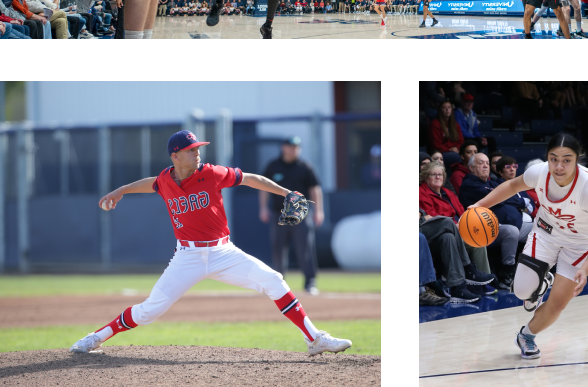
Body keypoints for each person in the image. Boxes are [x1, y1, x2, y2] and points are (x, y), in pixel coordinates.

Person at [68, 130, 349, 356]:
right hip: (187, 258)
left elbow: (251, 178)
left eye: (198, 148)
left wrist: (287, 191)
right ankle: (96, 338)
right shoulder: (166, 179)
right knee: (148, 311)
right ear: (175, 156)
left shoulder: (211, 173)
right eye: (192, 150)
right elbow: (151, 182)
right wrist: (120, 191)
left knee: (274, 280)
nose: (198, 152)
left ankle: (314, 339)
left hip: (223, 252)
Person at [467, 133, 588, 359]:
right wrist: (479, 205)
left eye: (566, 160)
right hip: (546, 233)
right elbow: (512, 186)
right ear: (547, 158)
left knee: (557, 304)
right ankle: (540, 283)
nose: (559, 166)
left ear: (577, 159)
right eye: (554, 159)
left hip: (579, 245)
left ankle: (526, 335)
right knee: (521, 291)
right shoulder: (539, 173)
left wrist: (587, 267)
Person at [418, 161, 497, 299]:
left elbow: (461, 211)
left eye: (440, 174)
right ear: (426, 177)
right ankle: (468, 269)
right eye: (433, 174)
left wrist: (466, 223)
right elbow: (432, 217)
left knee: (472, 237)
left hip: (451, 231)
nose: (437, 177)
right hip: (433, 230)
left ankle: (459, 287)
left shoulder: (448, 193)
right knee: (447, 223)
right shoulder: (421, 193)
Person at [258, 136, 323, 296]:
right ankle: (278, 284)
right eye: (291, 146)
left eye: (297, 147)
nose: (294, 149)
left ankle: (310, 282)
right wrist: (263, 208)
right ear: (283, 147)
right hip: (278, 214)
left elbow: (315, 189)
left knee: (305, 249)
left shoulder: (305, 167)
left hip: (300, 215)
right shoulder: (273, 166)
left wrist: (318, 211)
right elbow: (263, 188)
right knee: (278, 250)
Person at [459, 153, 534, 291]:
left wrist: (506, 198)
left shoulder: (491, 182)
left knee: (538, 229)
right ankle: (507, 275)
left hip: (507, 223)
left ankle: (534, 271)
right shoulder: (469, 184)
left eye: (487, 163)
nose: (486, 165)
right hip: (483, 228)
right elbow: (499, 198)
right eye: (481, 163)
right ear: (471, 167)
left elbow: (504, 197)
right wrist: (518, 201)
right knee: (510, 232)